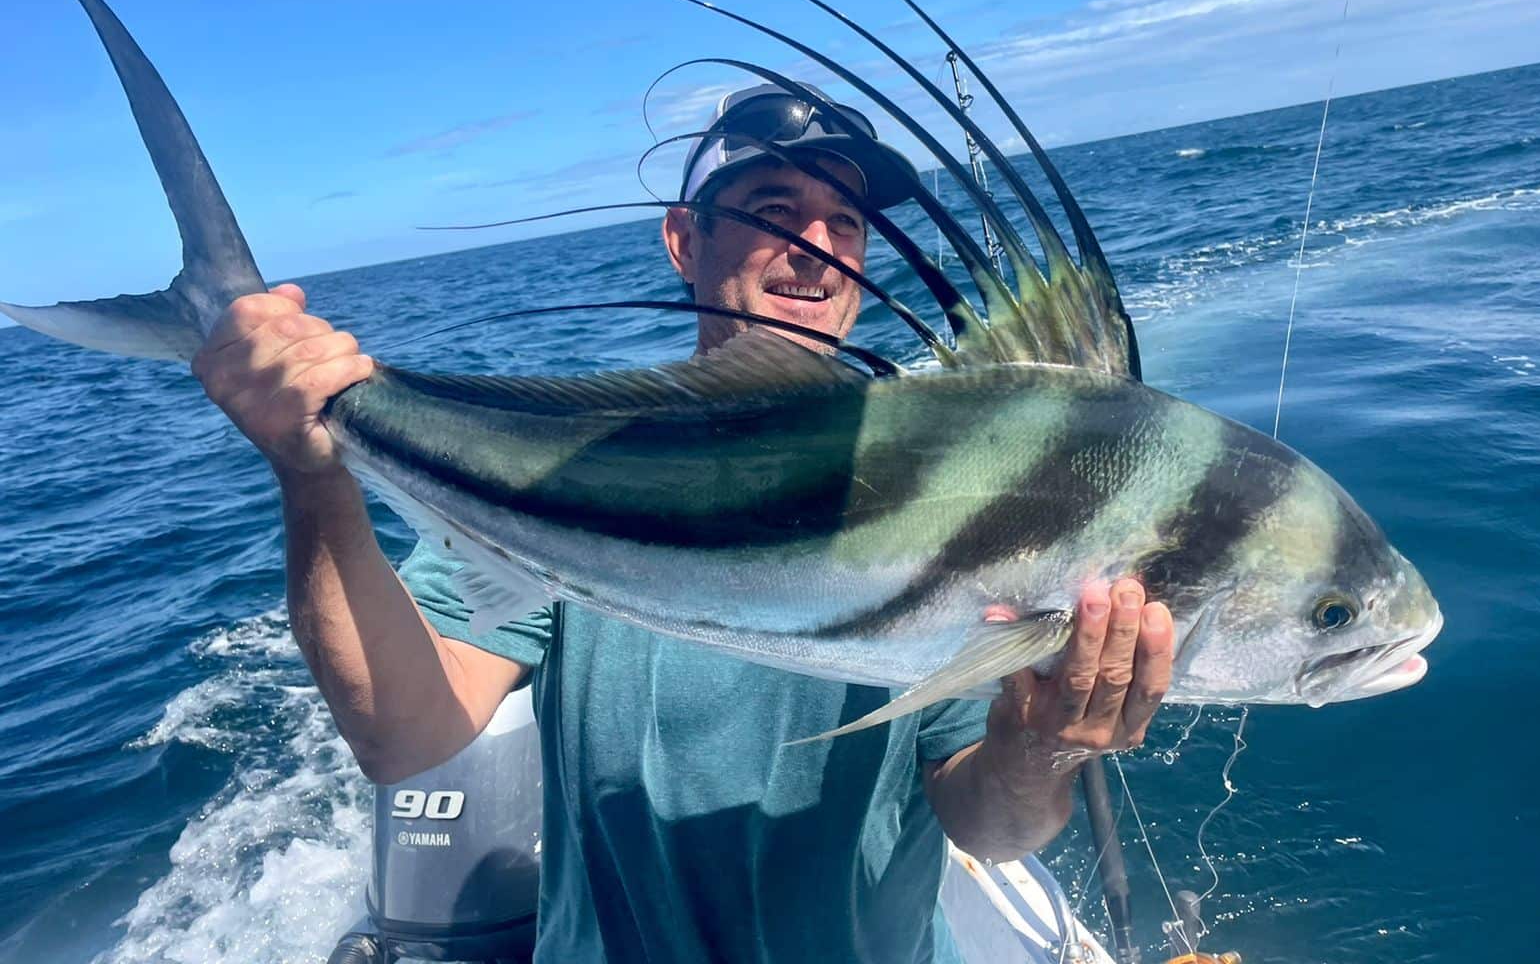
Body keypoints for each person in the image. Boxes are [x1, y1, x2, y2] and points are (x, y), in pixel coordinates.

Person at [191, 81, 1175, 963]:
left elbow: (986, 827)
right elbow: (402, 735)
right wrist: (312, 476)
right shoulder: (587, 462)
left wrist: (1044, 744)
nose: (817, 250)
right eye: (772, 212)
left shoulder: (964, 481)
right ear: (683, 241)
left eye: (846, 222)